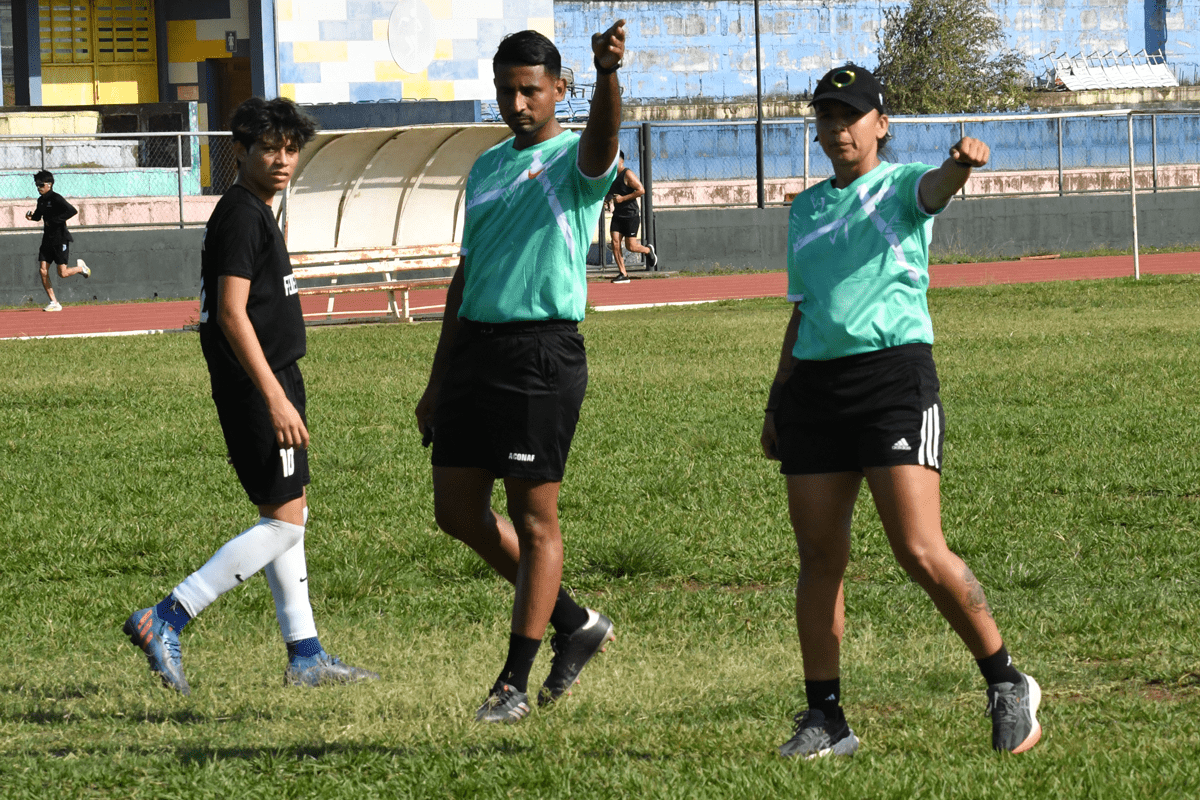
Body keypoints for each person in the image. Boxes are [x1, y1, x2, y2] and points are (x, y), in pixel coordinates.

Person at [760, 65, 1042, 757]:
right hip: (814, 392)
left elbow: (934, 190)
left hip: (892, 381)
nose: (836, 129)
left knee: (919, 548)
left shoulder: (901, 187)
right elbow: (804, 312)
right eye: (826, 117)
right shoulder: (804, 209)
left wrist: (959, 165)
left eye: (850, 116)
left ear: (880, 123)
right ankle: (826, 718)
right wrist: (778, 399)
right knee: (819, 556)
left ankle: (1007, 682)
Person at [124, 96, 378, 695]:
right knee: (285, 524)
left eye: (291, 149)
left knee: (288, 513)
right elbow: (232, 315)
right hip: (257, 384)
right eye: (269, 148)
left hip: (273, 378)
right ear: (240, 151)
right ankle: (167, 616)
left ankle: (306, 655)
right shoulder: (240, 214)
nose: (283, 159)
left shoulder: (257, 210)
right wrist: (274, 396)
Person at [414, 24, 625, 723]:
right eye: (506, 90)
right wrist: (438, 380)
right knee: (457, 513)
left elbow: (601, 143)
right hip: (475, 351)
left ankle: (513, 684)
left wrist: (608, 77)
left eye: (530, 89)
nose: (516, 102)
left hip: (541, 352)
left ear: (560, 90)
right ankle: (576, 622)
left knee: (537, 520)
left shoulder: (574, 160)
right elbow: (465, 274)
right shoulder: (487, 166)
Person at [27, 170, 90, 312]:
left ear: (49, 185)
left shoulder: (56, 198)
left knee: (62, 273)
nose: (38, 187)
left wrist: (55, 221)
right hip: (47, 240)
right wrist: (31, 217)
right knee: (43, 270)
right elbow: (38, 216)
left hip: (60, 239)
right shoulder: (41, 200)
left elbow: (72, 211)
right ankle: (54, 302)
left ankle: (81, 268)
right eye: (37, 184)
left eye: (41, 184)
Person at [604, 150, 656, 282]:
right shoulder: (610, 176)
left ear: (620, 161)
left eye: (613, 160)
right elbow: (611, 191)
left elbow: (641, 190)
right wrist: (607, 201)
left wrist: (623, 199)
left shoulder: (627, 174)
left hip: (631, 215)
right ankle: (623, 274)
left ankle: (647, 251)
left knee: (631, 247)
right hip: (618, 215)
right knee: (615, 242)